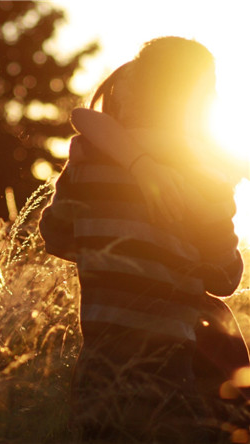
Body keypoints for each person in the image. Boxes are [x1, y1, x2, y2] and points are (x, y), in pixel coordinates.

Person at [39, 37, 249, 442]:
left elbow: (56, 236)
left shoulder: (88, 164)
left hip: (100, 380)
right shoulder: (205, 179)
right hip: (176, 379)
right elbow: (224, 277)